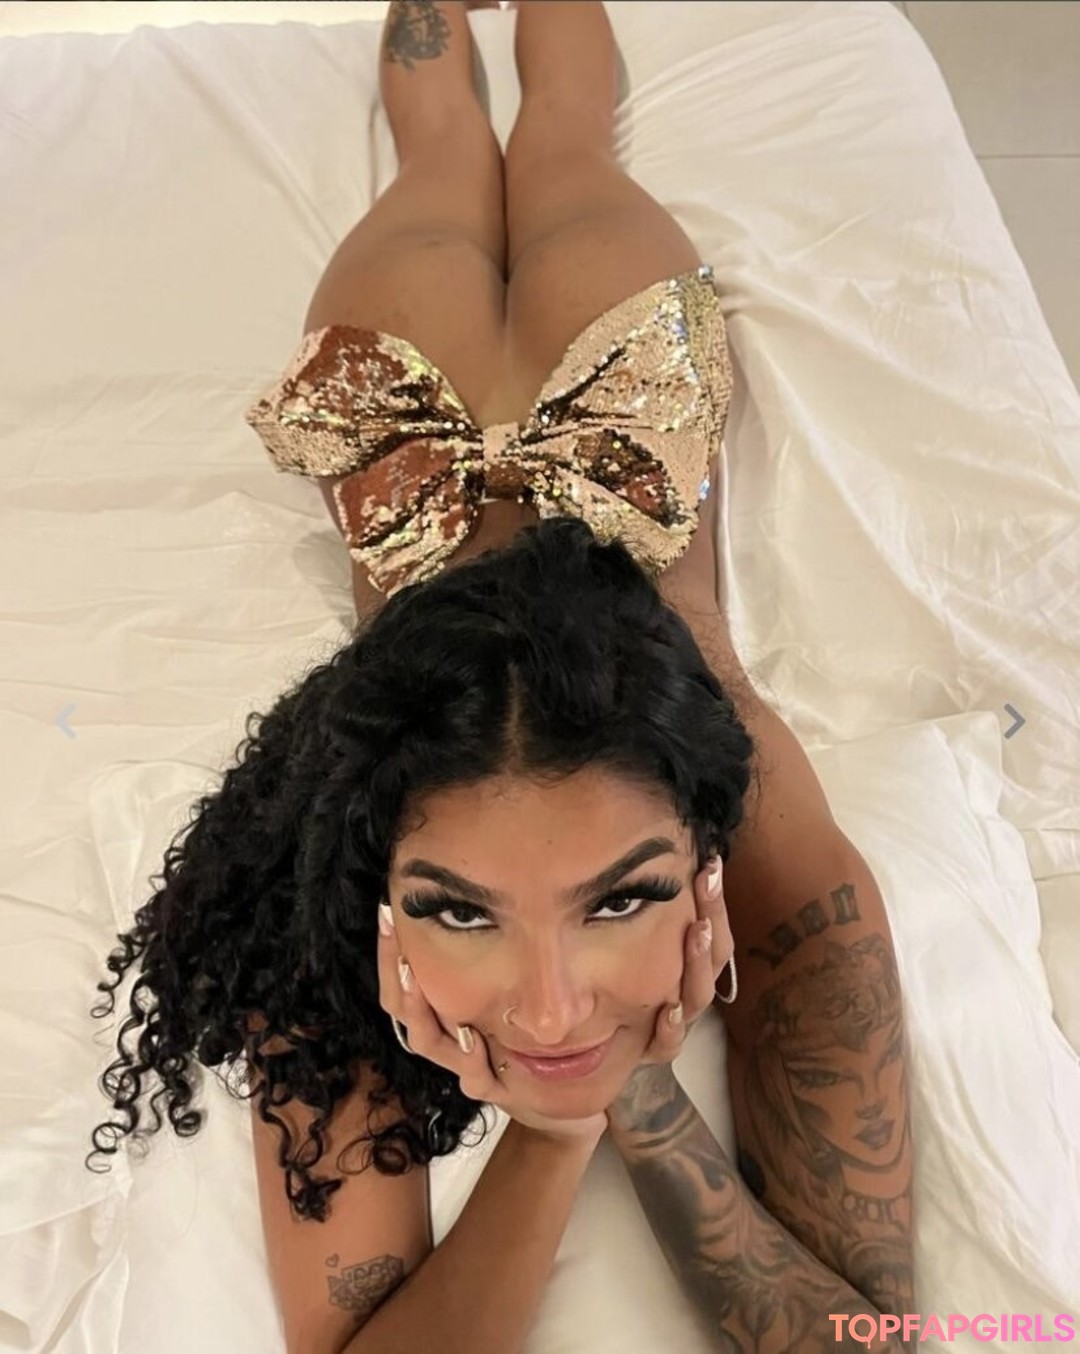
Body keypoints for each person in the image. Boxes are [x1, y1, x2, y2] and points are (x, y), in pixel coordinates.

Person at [86, 3, 915, 1350]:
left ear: (699, 851)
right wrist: (563, 1123)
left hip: (453, 376)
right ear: (387, 873)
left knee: (565, 132)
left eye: (623, 897)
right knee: (443, 147)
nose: (549, 1006)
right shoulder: (332, 890)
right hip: (524, 365)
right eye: (461, 912)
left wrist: (631, 1098)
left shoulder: (766, 843)